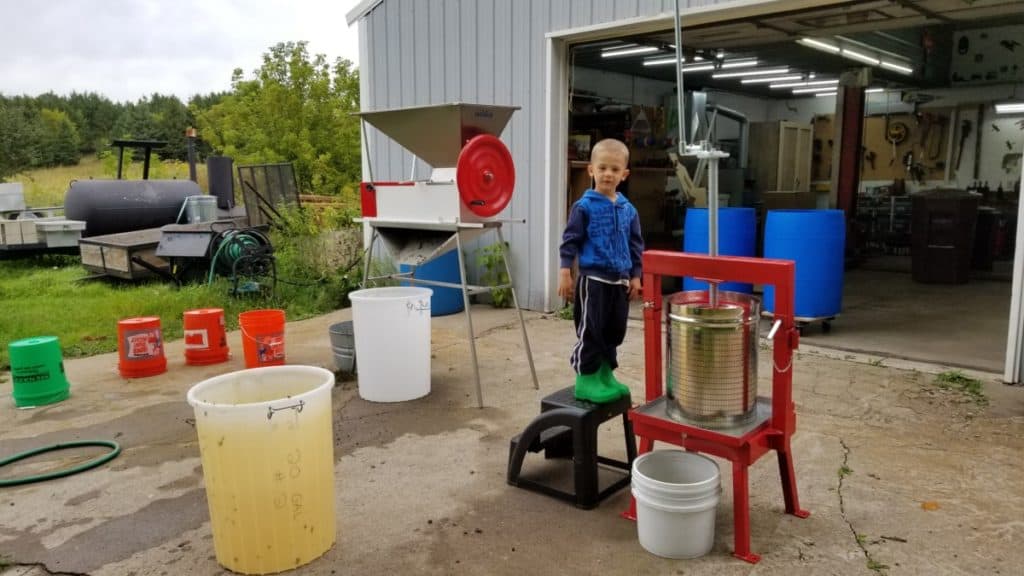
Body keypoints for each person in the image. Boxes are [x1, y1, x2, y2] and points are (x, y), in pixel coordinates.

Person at [558, 138, 643, 404]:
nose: (608, 173)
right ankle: (586, 379)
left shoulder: (628, 210)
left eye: (615, 169)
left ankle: (605, 375)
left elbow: (635, 244)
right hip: (593, 280)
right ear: (591, 170)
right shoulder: (584, 207)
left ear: (624, 174)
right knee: (592, 330)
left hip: (619, 281)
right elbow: (570, 240)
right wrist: (565, 272)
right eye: (603, 167)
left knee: (613, 331)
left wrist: (636, 275)